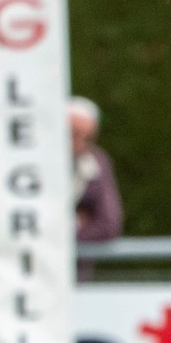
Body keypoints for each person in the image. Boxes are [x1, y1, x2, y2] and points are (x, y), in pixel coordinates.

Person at [71, 96, 124, 243]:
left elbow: (108, 225)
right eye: (73, 134)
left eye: (87, 138)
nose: (79, 144)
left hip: (79, 264)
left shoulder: (97, 161)